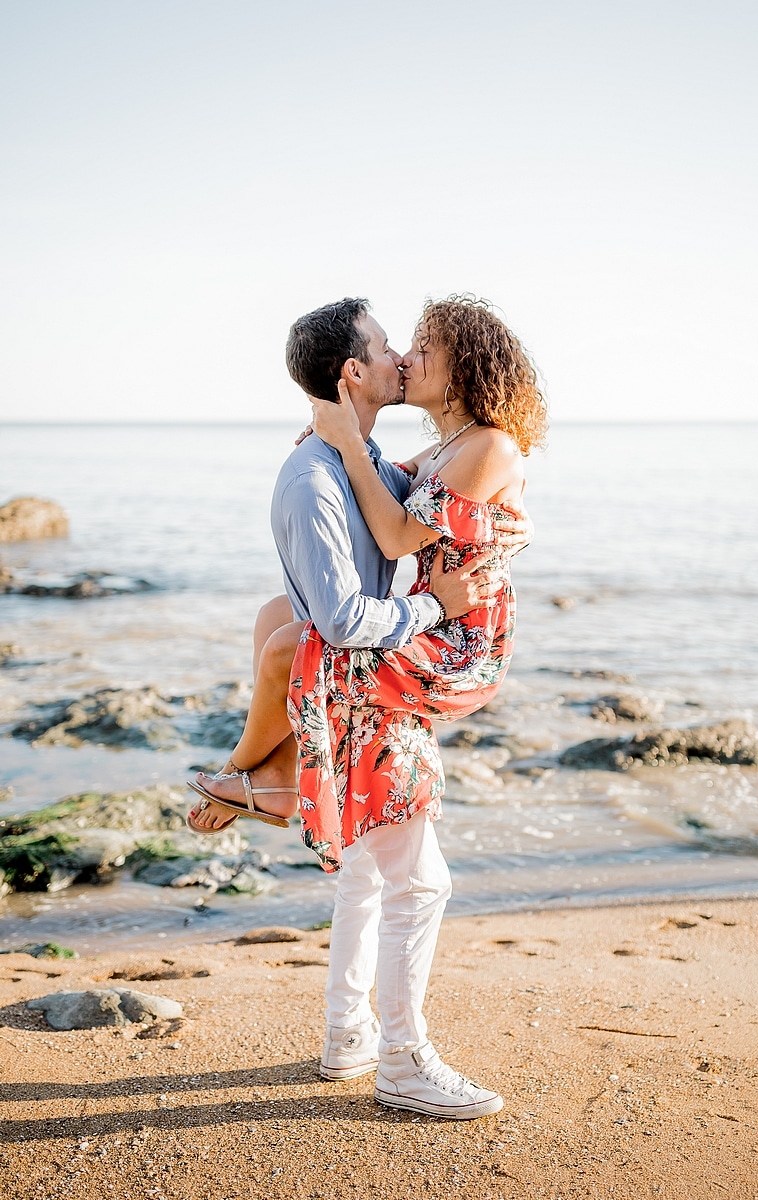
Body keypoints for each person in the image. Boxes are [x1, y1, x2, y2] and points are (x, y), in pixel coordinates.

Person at [188, 296, 546, 1118]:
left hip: (451, 643)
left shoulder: (480, 445)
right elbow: (386, 543)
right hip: (412, 642)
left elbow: (394, 537)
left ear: (467, 365)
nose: (408, 357)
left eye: (425, 347)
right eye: (396, 346)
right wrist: (342, 444)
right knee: (399, 876)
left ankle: (259, 778)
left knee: (293, 645)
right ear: (356, 371)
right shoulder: (428, 450)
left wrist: (343, 440)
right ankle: (388, 1056)